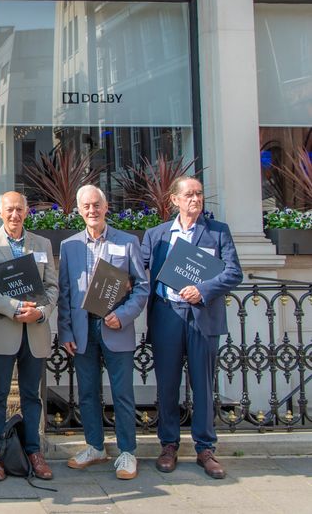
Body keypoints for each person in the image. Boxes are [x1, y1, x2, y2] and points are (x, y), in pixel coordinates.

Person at [142, 176, 242, 479]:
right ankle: (169, 445)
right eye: (189, 195)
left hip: (202, 317)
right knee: (167, 384)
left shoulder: (218, 232)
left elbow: (233, 272)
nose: (195, 199)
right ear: (174, 200)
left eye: (199, 194)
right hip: (167, 316)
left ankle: (205, 448)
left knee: (203, 384)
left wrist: (203, 288)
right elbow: (137, 270)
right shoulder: (156, 235)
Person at [58, 184, 149, 480]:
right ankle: (95, 447)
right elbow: (65, 293)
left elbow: (142, 287)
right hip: (84, 331)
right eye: (86, 206)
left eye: (96, 205)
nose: (92, 211)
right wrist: (66, 332)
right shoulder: (69, 246)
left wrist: (122, 316)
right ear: (78, 210)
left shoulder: (127, 242)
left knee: (122, 393)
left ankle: (127, 452)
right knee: (87, 394)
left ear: (106, 207)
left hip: (114, 328)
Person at [0, 191, 57, 482]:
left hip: (34, 332)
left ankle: (34, 452)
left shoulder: (42, 244)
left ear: (26, 212)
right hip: (2, 330)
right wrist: (14, 308)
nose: (14, 215)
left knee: (31, 396)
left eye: (19, 209)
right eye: (9, 209)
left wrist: (42, 312)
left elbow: (52, 287)